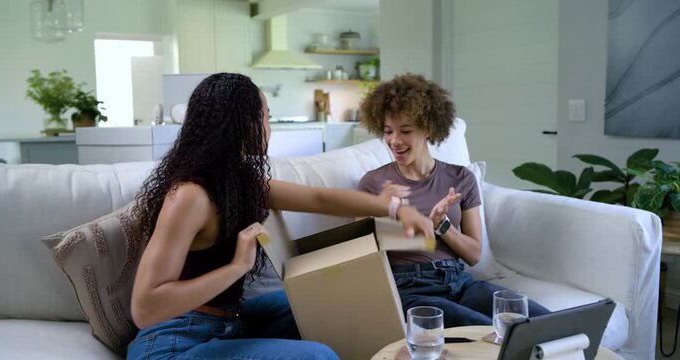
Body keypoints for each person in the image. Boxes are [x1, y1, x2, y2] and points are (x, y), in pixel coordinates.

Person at [126, 73, 434, 360]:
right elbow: (146, 308)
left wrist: (394, 208)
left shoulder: (236, 181)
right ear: (243, 124)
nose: (269, 126)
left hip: (228, 320)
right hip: (174, 343)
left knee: (326, 299)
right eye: (267, 117)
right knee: (319, 357)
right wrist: (237, 267)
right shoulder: (190, 196)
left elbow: (318, 198)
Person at [357, 73, 550, 328]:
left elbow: (473, 255)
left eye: (405, 131)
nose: (394, 141)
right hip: (409, 289)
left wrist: (442, 226)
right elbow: (361, 260)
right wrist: (388, 211)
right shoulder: (372, 183)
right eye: (388, 131)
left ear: (428, 128)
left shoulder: (461, 178)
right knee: (489, 333)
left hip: (460, 281)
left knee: (542, 322)